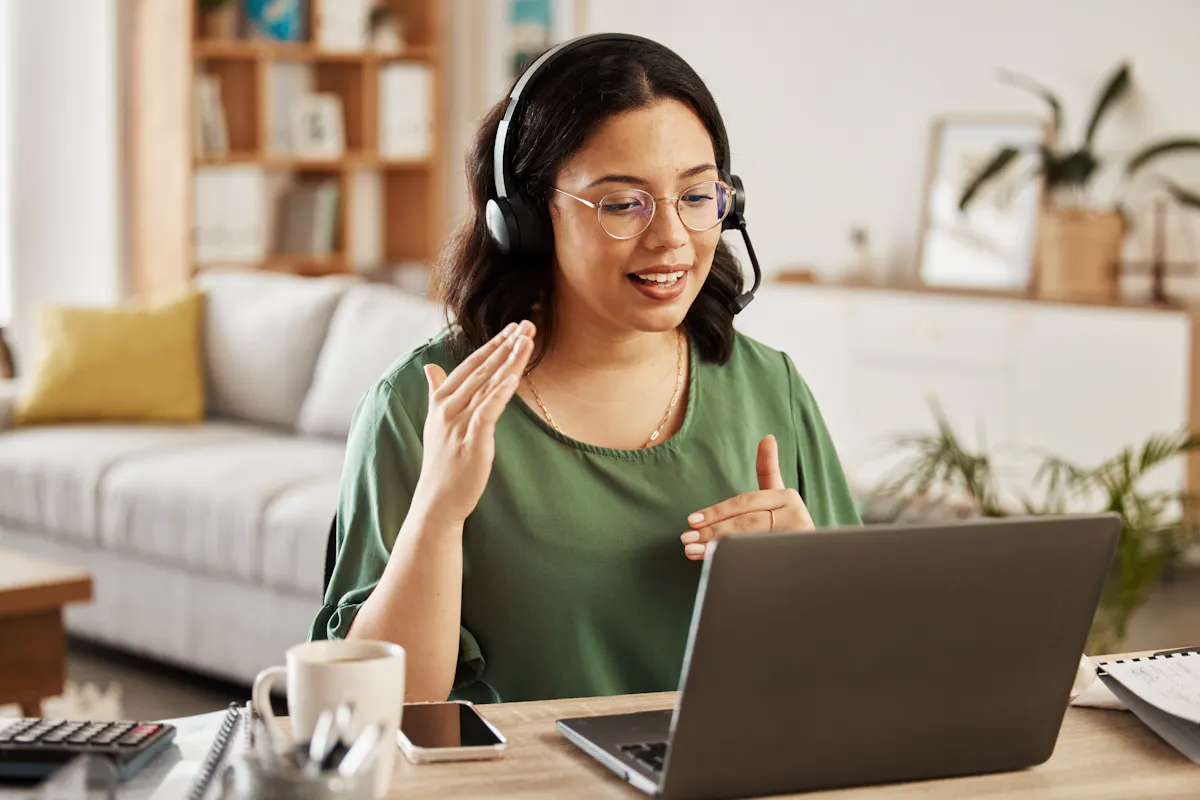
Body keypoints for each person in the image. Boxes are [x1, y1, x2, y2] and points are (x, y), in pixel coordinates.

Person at [310, 34, 860, 705]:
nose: (671, 239)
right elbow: (379, 712)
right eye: (623, 203)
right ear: (526, 220)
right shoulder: (424, 405)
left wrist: (809, 576)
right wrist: (438, 513)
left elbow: (855, 677)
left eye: (696, 197)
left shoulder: (771, 388)